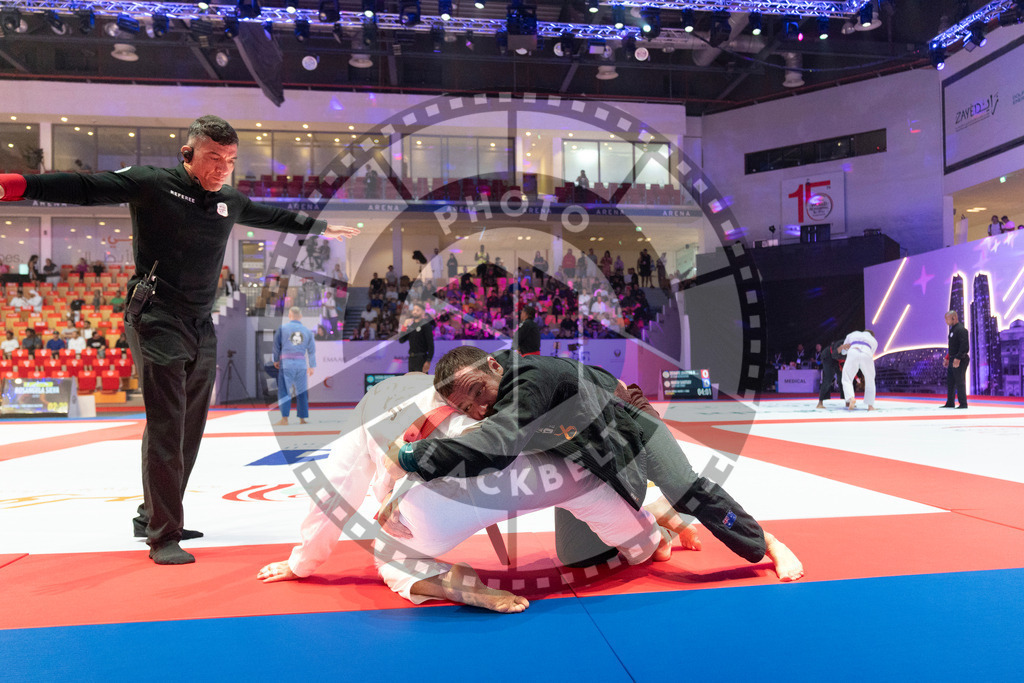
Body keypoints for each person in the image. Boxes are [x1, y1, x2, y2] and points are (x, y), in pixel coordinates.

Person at [0, 114, 358, 565]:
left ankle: (153, 511)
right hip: (155, 318)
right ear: (187, 154)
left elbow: (276, 216)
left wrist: (322, 229)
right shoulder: (152, 183)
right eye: (213, 158)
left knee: (189, 425)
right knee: (168, 425)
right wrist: (11, 185)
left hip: (198, 322)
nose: (222, 168)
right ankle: (162, 535)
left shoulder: (229, 199)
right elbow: (83, 186)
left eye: (229, 159)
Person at [256, 373, 683, 612]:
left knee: (391, 554)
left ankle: (451, 582)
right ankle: (651, 528)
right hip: (558, 472)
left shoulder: (371, 414)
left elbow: (333, 497)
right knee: (644, 548)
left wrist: (303, 562)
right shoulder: (475, 392)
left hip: (441, 503)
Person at [386, 347, 804, 582]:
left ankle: (765, 542)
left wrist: (408, 459)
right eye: (468, 406)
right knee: (575, 556)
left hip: (634, 432)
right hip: (593, 461)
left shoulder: (528, 378)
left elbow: (497, 446)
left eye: (480, 391)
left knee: (684, 488)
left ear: (495, 365)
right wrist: (399, 486)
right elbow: (598, 375)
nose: (481, 407)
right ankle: (657, 523)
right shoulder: (492, 401)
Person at [274, 306, 317, 426]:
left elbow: (276, 346)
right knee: (302, 392)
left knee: (284, 391)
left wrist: (275, 360)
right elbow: (312, 351)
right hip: (301, 365)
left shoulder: (283, 329)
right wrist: (312, 366)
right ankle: (302, 419)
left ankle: (284, 419)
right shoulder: (307, 331)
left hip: (286, 364)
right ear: (301, 316)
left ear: (290, 315)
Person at [840, 330, 877, 410]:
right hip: (867, 353)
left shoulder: (852, 334)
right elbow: (872, 353)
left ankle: (850, 398)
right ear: (871, 335)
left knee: (846, 377)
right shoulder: (874, 340)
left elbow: (843, 351)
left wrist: (844, 352)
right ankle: (870, 406)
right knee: (870, 379)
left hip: (853, 351)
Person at [942, 310, 969, 409]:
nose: (946, 321)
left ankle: (963, 403)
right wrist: (947, 358)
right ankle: (950, 402)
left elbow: (964, 347)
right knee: (951, 381)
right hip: (953, 359)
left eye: (947, 319)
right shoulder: (952, 330)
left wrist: (958, 358)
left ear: (953, 318)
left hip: (960, 359)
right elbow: (953, 347)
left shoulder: (962, 330)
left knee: (959, 381)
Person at [397, 301, 435, 373]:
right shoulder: (411, 325)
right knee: (412, 382)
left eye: (417, 310)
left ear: (423, 312)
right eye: (414, 310)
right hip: (411, 358)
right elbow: (401, 340)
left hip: (422, 358)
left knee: (422, 382)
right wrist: (404, 326)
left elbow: (431, 345)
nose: (415, 312)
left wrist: (428, 361)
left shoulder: (425, 325)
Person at [815, 340, 850, 409]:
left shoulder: (856, 349)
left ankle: (847, 401)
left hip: (839, 360)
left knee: (843, 379)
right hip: (828, 357)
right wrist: (841, 349)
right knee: (828, 379)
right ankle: (820, 402)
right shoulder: (842, 343)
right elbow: (834, 355)